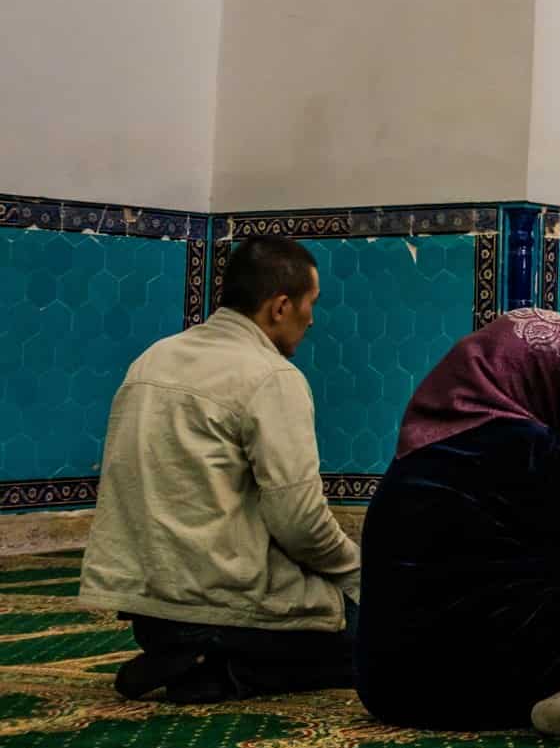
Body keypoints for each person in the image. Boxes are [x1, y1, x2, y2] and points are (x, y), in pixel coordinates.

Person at [82, 236, 360, 703]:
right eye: (311, 304)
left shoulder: (153, 358)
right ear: (280, 306)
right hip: (226, 606)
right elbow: (300, 524)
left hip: (149, 609)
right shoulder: (271, 377)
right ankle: (226, 671)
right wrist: (357, 571)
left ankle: (187, 653)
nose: (312, 319)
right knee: (391, 648)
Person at [355, 308, 560, 739]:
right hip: (497, 685)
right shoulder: (540, 452)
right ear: (533, 376)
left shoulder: (414, 451)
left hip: (389, 687)